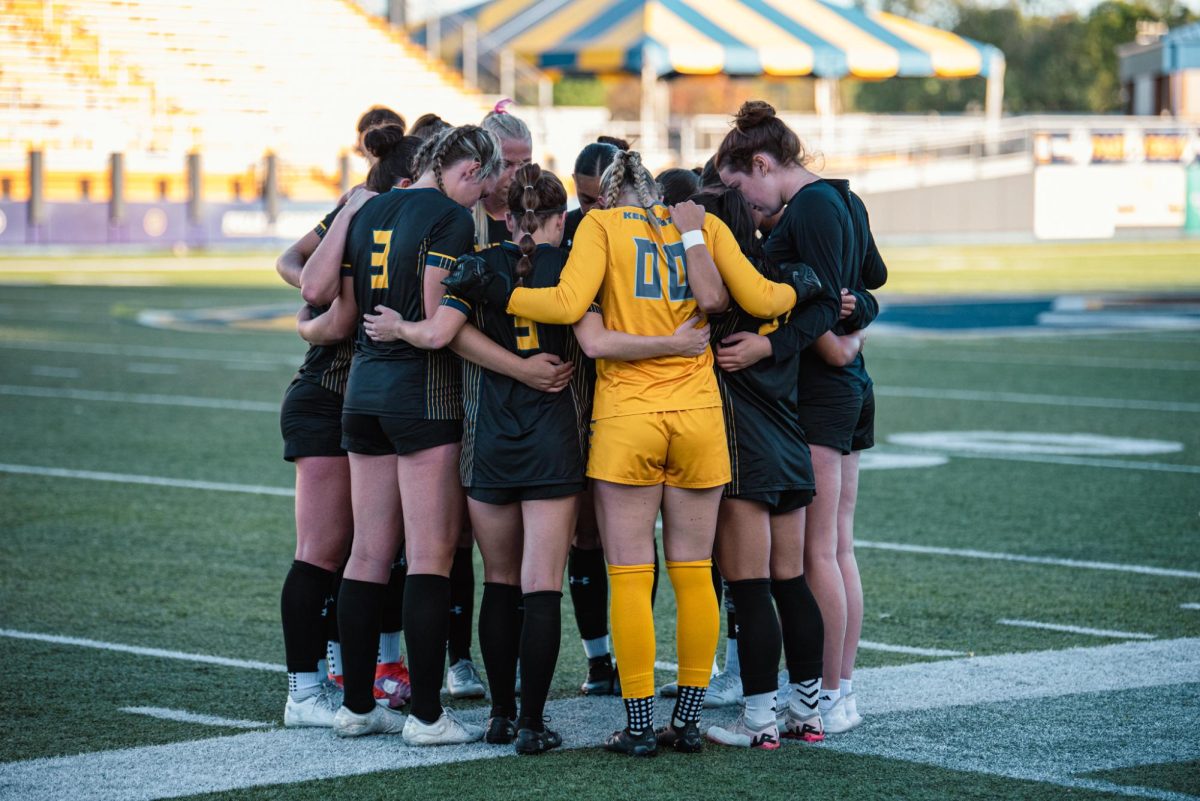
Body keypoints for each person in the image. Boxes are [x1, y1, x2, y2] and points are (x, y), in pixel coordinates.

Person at [445, 148, 814, 756]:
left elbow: (566, 306)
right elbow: (765, 300)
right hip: (698, 416)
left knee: (630, 574)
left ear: (609, 195)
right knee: (696, 575)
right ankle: (689, 719)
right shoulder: (703, 226)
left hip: (628, 419)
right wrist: (801, 288)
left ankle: (639, 724)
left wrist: (501, 295)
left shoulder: (601, 224)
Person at [367, 163, 710, 754]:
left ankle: (500, 715)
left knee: (499, 584)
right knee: (540, 586)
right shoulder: (573, 269)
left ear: (503, 215)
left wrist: (407, 329)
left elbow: (444, 333)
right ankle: (531, 722)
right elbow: (595, 340)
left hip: (490, 444)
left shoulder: (479, 265)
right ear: (558, 219)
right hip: (554, 443)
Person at [296, 125, 505, 744]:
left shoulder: (371, 206)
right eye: (485, 184)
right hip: (423, 393)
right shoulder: (451, 218)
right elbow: (436, 318)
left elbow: (334, 298)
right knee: (431, 556)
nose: (484, 200)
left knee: (368, 552)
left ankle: (357, 706)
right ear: (468, 171)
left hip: (361, 390)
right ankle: (427, 717)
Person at [716, 100, 886, 734]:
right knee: (836, 547)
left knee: (818, 551)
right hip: (845, 384)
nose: (748, 209)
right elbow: (872, 277)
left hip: (820, 390)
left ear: (762, 163)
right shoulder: (840, 195)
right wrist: (859, 315)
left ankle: (826, 696)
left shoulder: (810, 206)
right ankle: (838, 693)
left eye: (741, 189)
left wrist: (820, 337)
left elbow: (816, 300)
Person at [680, 186, 839, 750]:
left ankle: (759, 721)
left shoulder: (712, 290)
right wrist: (779, 345)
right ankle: (809, 712)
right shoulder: (782, 274)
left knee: (750, 589)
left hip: (746, 450)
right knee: (790, 582)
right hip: (791, 444)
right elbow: (832, 300)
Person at [274, 121, 417, 728]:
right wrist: (318, 314)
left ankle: (340, 672)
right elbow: (296, 269)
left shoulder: (409, 219)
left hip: (368, 398)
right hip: (329, 395)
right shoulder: (362, 214)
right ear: (410, 181)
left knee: (372, 550)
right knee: (324, 550)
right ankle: (302, 691)